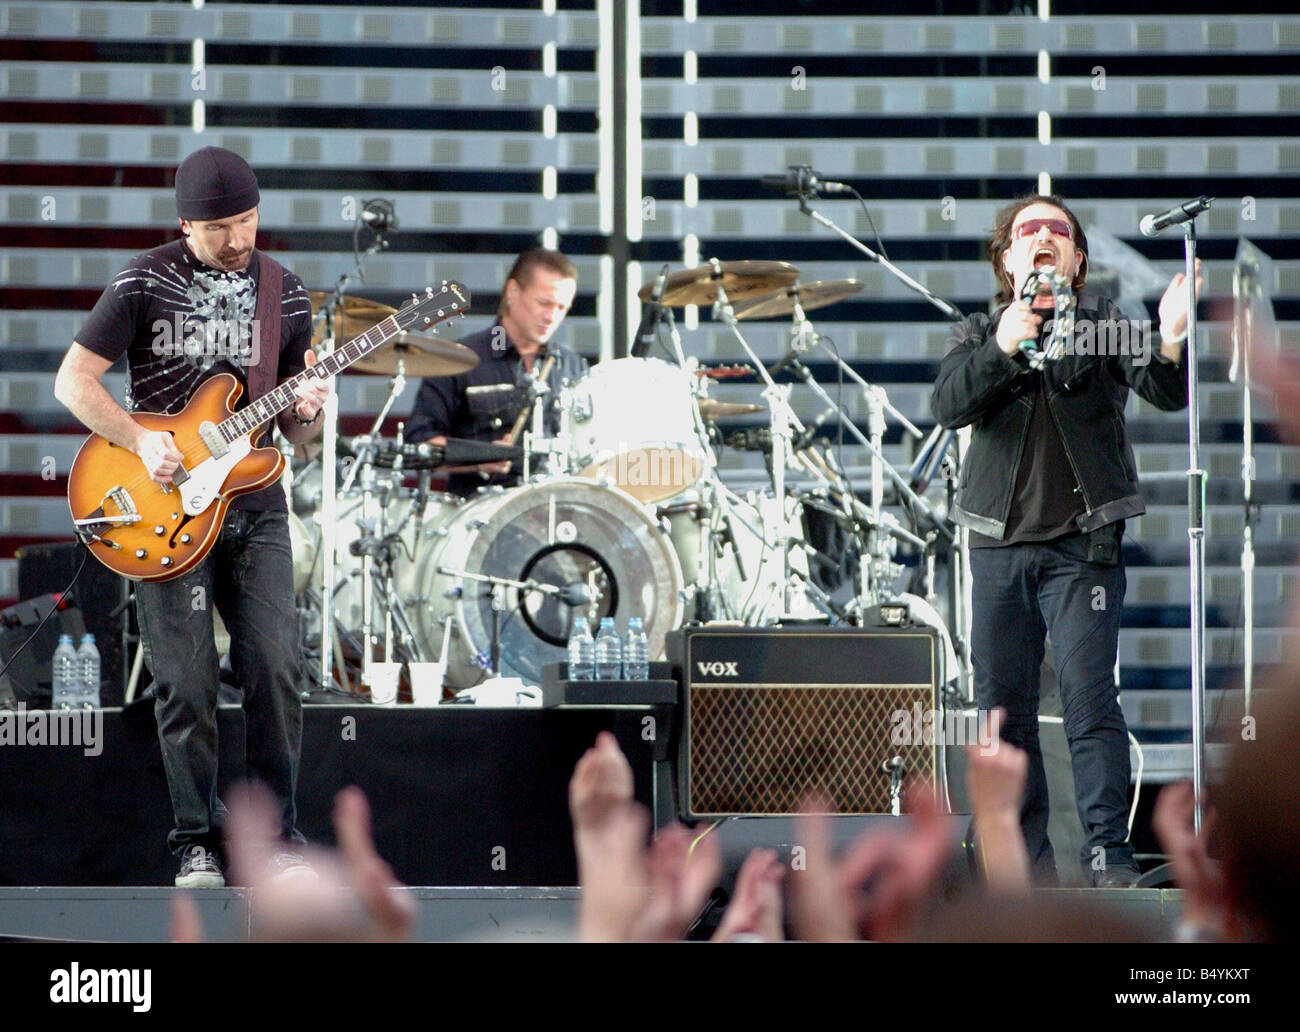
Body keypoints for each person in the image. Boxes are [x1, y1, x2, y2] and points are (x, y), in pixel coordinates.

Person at [53, 146, 332, 888]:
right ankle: (194, 843)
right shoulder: (145, 279)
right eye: (220, 229)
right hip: (165, 509)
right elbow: (73, 381)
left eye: (247, 221)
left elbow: (296, 436)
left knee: (276, 667)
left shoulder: (287, 292)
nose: (240, 240)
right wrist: (142, 442)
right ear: (185, 225)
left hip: (255, 505)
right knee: (185, 682)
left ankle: (276, 842)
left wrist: (307, 410)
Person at [931, 194, 1201, 887]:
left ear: (1078, 260)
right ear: (1007, 258)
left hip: (1083, 545)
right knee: (1004, 712)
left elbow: (1165, 389)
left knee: (1088, 699)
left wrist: (1170, 334)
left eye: (1060, 230)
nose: (1044, 237)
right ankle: (1026, 872)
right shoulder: (973, 334)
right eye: (1029, 230)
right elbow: (948, 404)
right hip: (997, 546)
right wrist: (1004, 343)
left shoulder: (1105, 324)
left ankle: (1109, 856)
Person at [405, 248, 584, 495]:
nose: (552, 316)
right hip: (479, 517)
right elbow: (418, 447)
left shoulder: (573, 366)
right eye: (544, 303)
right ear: (512, 292)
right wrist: (478, 459)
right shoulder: (459, 360)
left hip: (555, 514)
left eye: (562, 308)